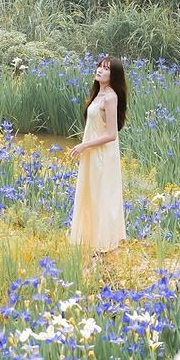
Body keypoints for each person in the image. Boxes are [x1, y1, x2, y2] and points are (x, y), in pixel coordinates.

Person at [68, 54, 127, 254]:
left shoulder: (110, 97)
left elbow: (111, 134)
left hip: (101, 155)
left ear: (114, 75)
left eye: (106, 68)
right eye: (100, 66)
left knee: (101, 195)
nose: (100, 70)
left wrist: (84, 145)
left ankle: (104, 245)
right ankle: (89, 240)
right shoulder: (98, 94)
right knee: (90, 193)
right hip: (92, 152)